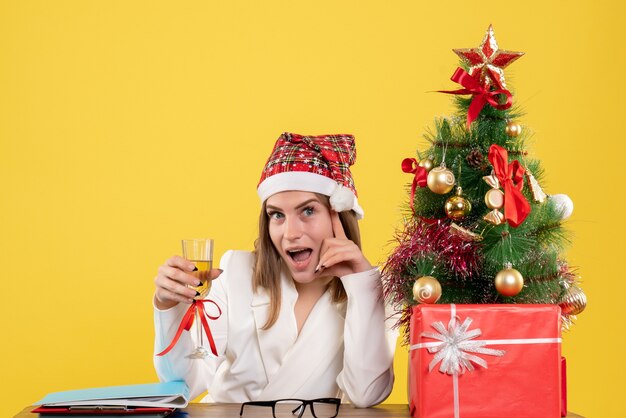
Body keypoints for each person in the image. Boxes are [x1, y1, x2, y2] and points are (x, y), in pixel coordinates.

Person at [153, 132, 397, 407]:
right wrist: (168, 308)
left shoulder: (375, 290)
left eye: (308, 211)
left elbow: (367, 395)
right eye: (277, 215)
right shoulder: (236, 271)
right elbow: (184, 381)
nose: (290, 233)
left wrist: (361, 284)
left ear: (338, 215)